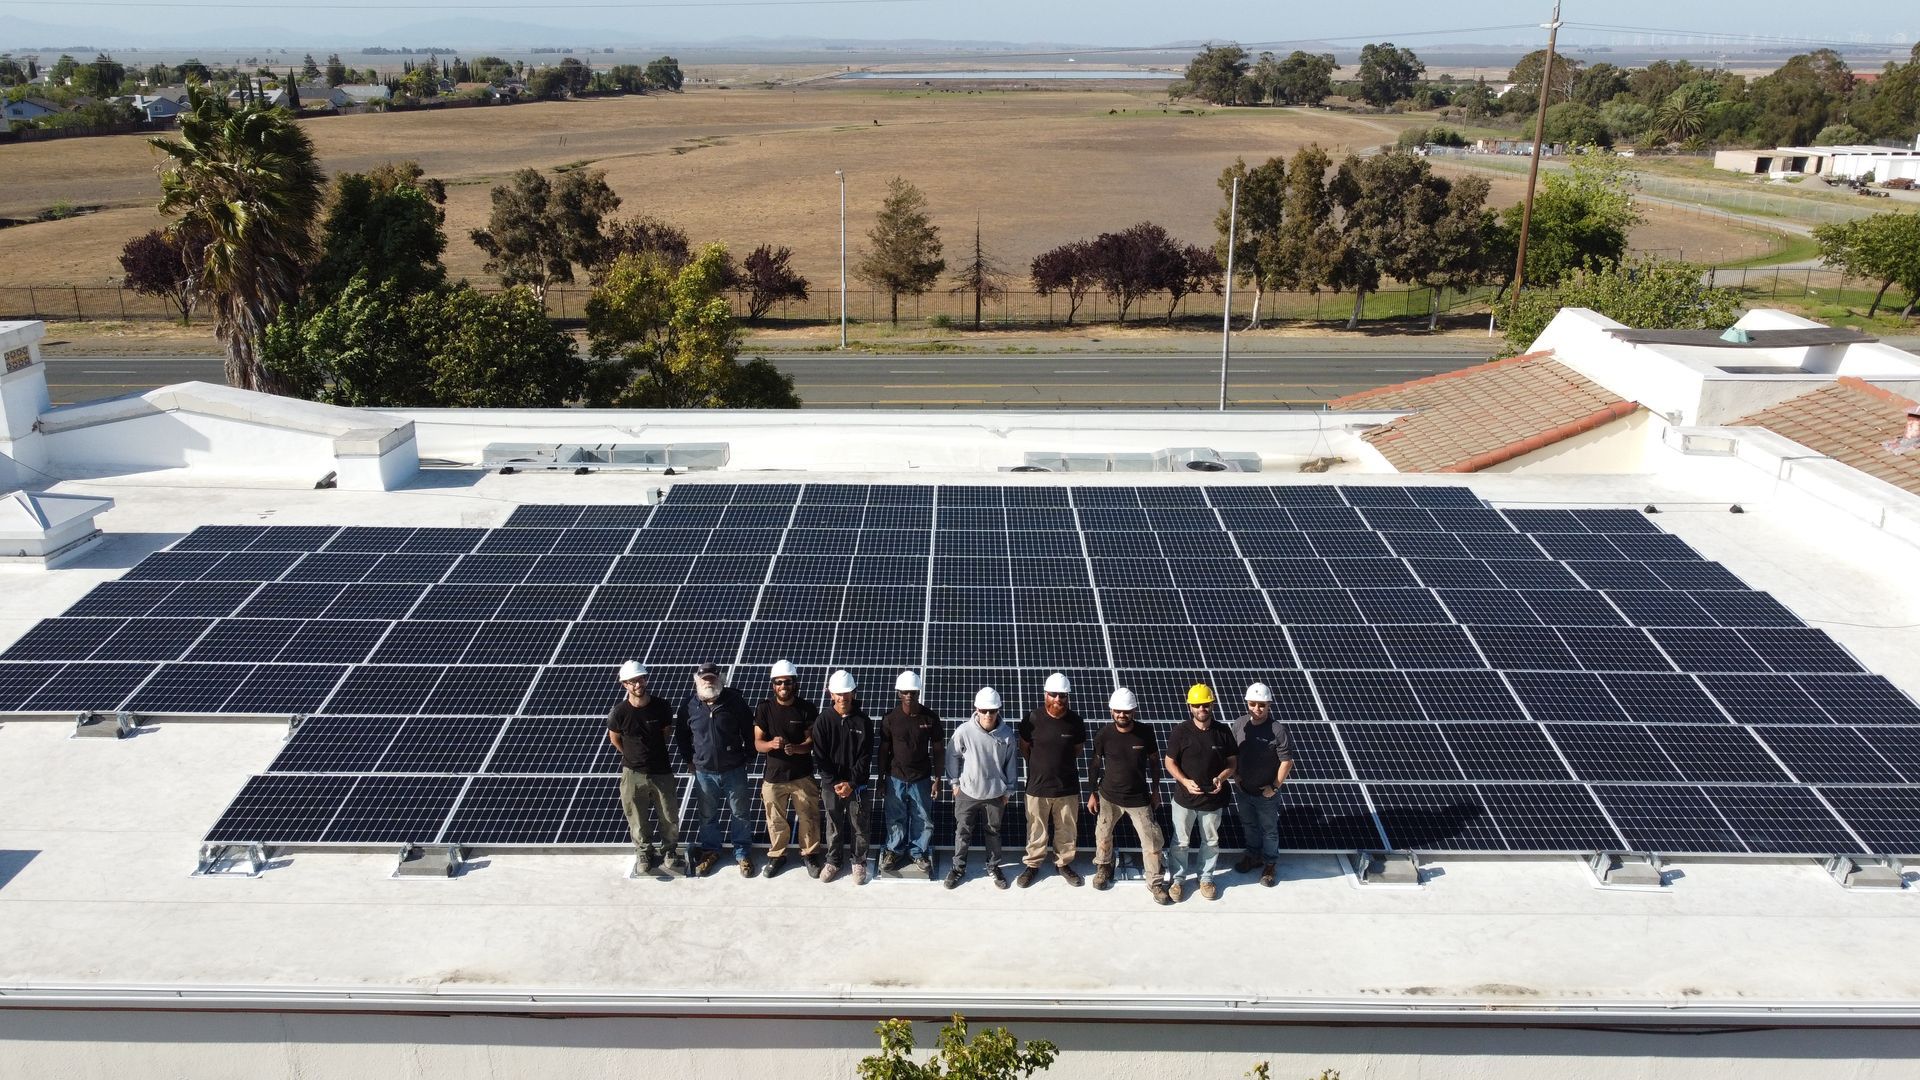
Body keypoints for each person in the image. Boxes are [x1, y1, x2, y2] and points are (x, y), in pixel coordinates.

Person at [1088, 687, 1172, 905]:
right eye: (1117, 711)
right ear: (1111, 711)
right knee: (1103, 834)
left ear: (1134, 711)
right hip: (1108, 796)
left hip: (1139, 798)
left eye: (1126, 711)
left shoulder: (1145, 733)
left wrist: (1155, 790)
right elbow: (1095, 764)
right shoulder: (1104, 734)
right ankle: (1104, 867)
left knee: (1152, 841)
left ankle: (1155, 882)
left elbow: (1154, 762)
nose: (1122, 715)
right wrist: (1092, 793)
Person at [675, 661, 757, 877]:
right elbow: (682, 735)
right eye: (704, 679)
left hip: (734, 769)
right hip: (704, 772)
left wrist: (749, 755)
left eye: (712, 679)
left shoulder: (734, 701)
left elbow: (749, 730)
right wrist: (688, 759)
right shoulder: (689, 706)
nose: (708, 682)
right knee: (707, 815)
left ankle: (742, 853)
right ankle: (711, 851)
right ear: (698, 681)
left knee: (740, 813)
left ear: (720, 679)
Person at [606, 660, 687, 876]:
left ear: (645, 679)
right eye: (631, 681)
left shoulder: (662, 706)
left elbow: (666, 732)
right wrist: (631, 756)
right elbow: (614, 737)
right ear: (624, 684)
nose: (637, 684)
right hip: (632, 773)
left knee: (669, 816)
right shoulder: (619, 712)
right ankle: (644, 852)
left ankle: (670, 850)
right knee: (637, 818)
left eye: (640, 679)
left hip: (661, 771)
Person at [1162, 682, 1238, 902]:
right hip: (1185, 799)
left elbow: (1233, 762)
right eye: (1197, 705)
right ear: (1190, 707)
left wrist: (1222, 777)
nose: (1202, 709)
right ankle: (1177, 881)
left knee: (1211, 841)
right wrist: (1185, 781)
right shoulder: (1181, 731)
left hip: (1213, 800)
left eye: (1205, 705)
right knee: (1180, 842)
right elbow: (1169, 762)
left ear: (1212, 704)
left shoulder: (1223, 731)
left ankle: (1206, 879)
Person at [1016, 671, 1087, 888]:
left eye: (1063, 695)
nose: (1058, 699)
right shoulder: (1031, 719)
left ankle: (1063, 864)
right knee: (1036, 829)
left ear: (1068, 697)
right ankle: (1033, 865)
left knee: (1066, 829)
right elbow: (1024, 747)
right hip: (1037, 786)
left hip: (1067, 788)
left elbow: (1077, 750)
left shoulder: (1076, 722)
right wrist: (1040, 767)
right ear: (1046, 694)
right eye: (1054, 694)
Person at [944, 686, 1019, 890]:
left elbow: (1011, 764)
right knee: (963, 832)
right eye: (984, 710)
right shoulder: (964, 731)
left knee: (993, 832)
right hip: (967, 793)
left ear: (998, 711)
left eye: (992, 711)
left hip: (995, 794)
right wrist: (954, 783)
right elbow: (952, 755)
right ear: (976, 709)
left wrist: (1009, 790)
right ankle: (958, 868)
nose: (988, 714)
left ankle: (994, 866)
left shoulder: (1007, 735)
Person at [754, 659, 824, 878]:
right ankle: (777, 856)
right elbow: (758, 743)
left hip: (802, 775)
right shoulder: (764, 709)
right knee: (775, 820)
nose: (783, 687)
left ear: (795, 683)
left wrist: (796, 749)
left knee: (809, 817)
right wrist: (770, 745)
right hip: (774, 777)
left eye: (787, 682)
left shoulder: (806, 709)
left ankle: (810, 855)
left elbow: (811, 742)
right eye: (779, 682)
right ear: (773, 685)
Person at [1229, 681, 1294, 888]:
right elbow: (1233, 754)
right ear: (1247, 703)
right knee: (1249, 826)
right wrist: (1236, 777)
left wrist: (1274, 787)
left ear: (1269, 705)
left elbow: (1287, 761)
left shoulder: (1277, 730)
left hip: (1266, 793)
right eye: (1253, 704)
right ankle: (1253, 856)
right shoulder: (1239, 724)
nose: (1257, 709)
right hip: (1243, 789)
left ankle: (1270, 864)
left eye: (1262, 705)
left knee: (1269, 830)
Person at [878, 669, 942, 877]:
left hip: (921, 777)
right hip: (895, 776)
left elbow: (939, 749)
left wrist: (938, 778)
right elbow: (883, 749)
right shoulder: (890, 718)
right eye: (905, 692)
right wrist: (880, 777)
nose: (909, 696)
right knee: (895, 816)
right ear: (899, 693)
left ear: (918, 693)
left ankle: (918, 851)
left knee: (923, 817)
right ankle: (894, 850)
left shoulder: (930, 718)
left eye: (913, 692)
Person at [813, 669, 873, 884]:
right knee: (833, 824)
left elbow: (865, 758)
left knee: (860, 825)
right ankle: (834, 860)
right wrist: (835, 783)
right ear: (831, 694)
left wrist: (852, 783)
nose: (843, 698)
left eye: (847, 693)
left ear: (854, 694)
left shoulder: (863, 722)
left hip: (857, 786)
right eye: (839, 693)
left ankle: (859, 861)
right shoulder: (822, 721)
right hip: (831, 786)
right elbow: (820, 757)